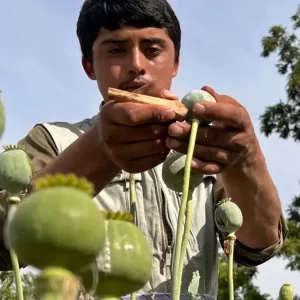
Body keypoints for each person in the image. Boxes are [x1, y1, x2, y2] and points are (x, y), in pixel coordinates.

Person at [0, 0, 288, 299]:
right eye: (116, 50)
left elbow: (257, 246)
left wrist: (246, 159)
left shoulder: (204, 146)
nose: (136, 65)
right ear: (89, 66)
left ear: (175, 62)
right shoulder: (53, 140)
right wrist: (98, 152)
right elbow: (3, 247)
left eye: (152, 50)